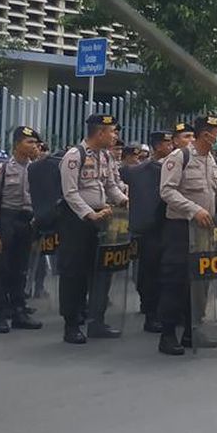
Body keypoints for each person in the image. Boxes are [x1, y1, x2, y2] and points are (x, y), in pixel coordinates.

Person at [156, 115, 217, 355]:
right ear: (205, 134)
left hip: (205, 231)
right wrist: (193, 210)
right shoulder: (180, 157)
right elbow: (167, 191)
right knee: (176, 282)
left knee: (200, 283)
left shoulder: (212, 160)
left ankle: (191, 332)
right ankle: (167, 335)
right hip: (181, 229)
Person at [57, 113, 126, 344]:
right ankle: (72, 324)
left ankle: (95, 320)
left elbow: (110, 186)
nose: (115, 136)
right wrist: (90, 214)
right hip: (78, 220)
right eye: (112, 131)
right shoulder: (75, 155)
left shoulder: (105, 156)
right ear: (100, 133)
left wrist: (124, 200)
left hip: (101, 217)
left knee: (97, 272)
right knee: (73, 272)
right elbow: (70, 193)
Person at [0, 127, 44, 334]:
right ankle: (0, 315)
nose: (34, 146)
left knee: (21, 270)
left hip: (26, 223)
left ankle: (19, 311)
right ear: (17, 144)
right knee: (0, 270)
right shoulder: (1, 170)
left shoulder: (36, 169)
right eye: (29, 142)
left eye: (35, 143)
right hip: (6, 221)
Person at [125, 131, 173, 332]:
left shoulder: (175, 167)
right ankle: (151, 312)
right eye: (166, 143)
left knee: (167, 272)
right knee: (150, 272)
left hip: (170, 226)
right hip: (150, 227)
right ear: (157, 146)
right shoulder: (140, 170)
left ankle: (165, 312)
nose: (170, 146)